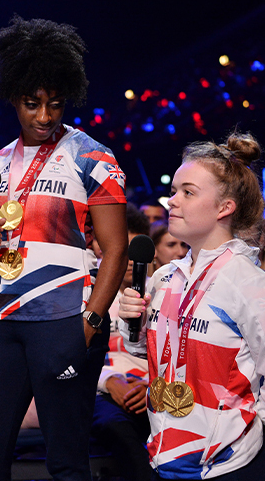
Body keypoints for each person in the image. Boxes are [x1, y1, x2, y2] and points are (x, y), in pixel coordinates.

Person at [0, 16, 128, 481]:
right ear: (13, 98)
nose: (44, 116)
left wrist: (90, 325)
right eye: (31, 104)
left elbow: (115, 251)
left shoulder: (92, 156)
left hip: (64, 319)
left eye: (54, 104)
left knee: (67, 462)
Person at [118, 132, 265, 480]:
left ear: (224, 208)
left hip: (230, 465)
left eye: (188, 192)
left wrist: (251, 430)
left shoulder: (248, 282)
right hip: (165, 457)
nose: (172, 201)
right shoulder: (166, 276)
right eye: (174, 192)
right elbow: (141, 348)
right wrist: (131, 321)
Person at [91, 203, 151, 481]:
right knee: (114, 425)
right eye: (119, 249)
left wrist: (152, 385)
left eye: (133, 250)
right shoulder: (85, 292)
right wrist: (110, 381)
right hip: (98, 390)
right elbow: (72, 357)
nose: (127, 259)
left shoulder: (163, 290)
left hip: (151, 388)